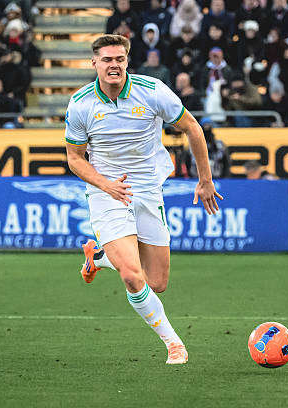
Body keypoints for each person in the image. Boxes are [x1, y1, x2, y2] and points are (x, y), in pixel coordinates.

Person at [65, 34, 222, 365]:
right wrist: (106, 185)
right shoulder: (80, 104)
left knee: (157, 283)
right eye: (107, 60)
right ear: (94, 63)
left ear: (127, 61)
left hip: (148, 190)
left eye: (119, 59)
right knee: (132, 277)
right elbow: (75, 158)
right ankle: (174, 343)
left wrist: (205, 180)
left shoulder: (151, 91)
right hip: (107, 193)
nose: (114, 65)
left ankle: (100, 257)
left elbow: (193, 128)